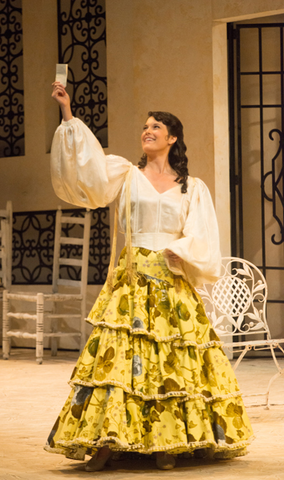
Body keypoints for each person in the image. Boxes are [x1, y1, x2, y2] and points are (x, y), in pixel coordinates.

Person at [45, 81, 254, 472]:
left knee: (172, 363)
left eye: (156, 127)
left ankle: (168, 441)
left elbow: (203, 234)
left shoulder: (191, 187)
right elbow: (86, 172)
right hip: (133, 281)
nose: (147, 131)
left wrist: (181, 249)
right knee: (120, 363)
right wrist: (68, 113)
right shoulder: (126, 174)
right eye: (145, 126)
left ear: (172, 138)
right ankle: (107, 443)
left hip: (170, 279)